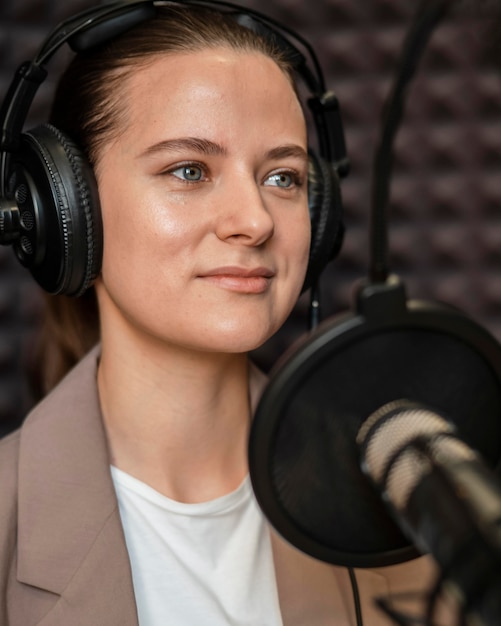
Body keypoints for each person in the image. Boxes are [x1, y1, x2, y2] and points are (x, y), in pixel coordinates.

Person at [0, 2, 444, 625]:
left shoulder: (408, 507)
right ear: (66, 212)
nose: (256, 221)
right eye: (190, 169)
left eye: (283, 177)